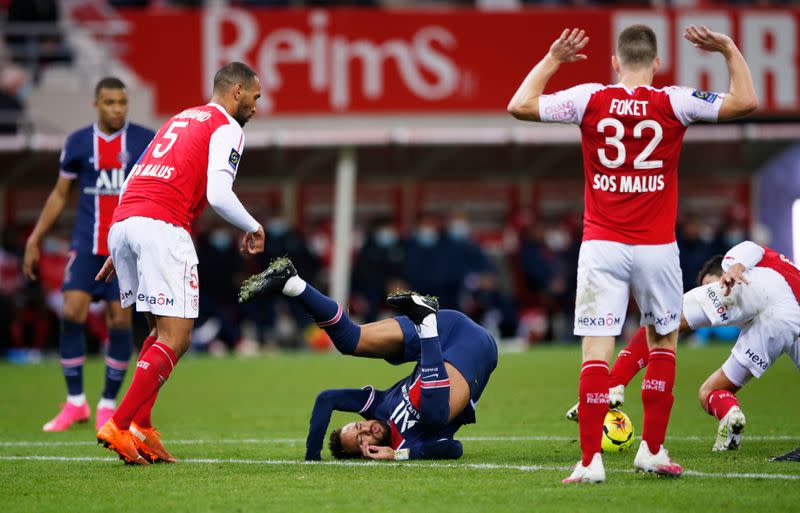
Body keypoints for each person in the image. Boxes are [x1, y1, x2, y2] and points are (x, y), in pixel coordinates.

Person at [507, 25, 758, 482]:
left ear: (615, 64)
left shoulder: (589, 98)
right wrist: (728, 48)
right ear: (657, 65)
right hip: (656, 246)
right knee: (662, 342)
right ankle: (652, 451)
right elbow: (745, 102)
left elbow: (519, 105)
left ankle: (589, 462)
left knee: (596, 352)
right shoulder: (674, 101)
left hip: (602, 244)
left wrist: (552, 58)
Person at [94, 62, 266, 465]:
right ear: (237, 91)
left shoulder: (182, 118)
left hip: (126, 221)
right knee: (178, 338)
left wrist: (120, 239)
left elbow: (137, 172)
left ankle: (141, 425)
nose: (257, 107)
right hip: (163, 227)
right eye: (256, 97)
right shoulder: (227, 126)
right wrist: (254, 226)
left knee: (158, 333)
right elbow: (219, 193)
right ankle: (118, 423)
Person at [238, 257, 497, 461]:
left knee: (352, 340)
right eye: (362, 440)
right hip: (475, 349)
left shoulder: (379, 405)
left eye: (358, 427)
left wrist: (312, 458)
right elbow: (454, 449)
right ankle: (425, 323)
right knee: (433, 415)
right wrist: (398, 455)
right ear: (366, 453)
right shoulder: (408, 444)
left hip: (445, 325)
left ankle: (291, 282)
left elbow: (327, 398)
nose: (367, 430)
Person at [569, 241, 800, 454]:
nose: (706, 292)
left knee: (664, 319)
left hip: (747, 287)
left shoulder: (736, 266)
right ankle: (730, 415)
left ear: (717, 273)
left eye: (707, 286)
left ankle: (612, 384)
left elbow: (752, 247)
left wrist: (735, 268)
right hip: (787, 323)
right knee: (709, 392)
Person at [23, 77, 154, 432]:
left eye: (122, 103)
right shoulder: (78, 142)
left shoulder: (144, 140)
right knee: (70, 311)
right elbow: (59, 194)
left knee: (120, 321)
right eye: (110, 102)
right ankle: (75, 402)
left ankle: (107, 406)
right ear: (96, 103)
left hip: (125, 247)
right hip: (85, 243)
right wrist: (36, 238)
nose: (117, 109)